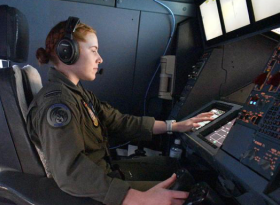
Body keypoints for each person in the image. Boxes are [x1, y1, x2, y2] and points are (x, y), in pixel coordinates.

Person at [27, 17, 214, 205]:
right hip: (94, 190)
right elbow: (71, 171)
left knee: (172, 166)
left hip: (103, 173)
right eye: (93, 51)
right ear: (67, 52)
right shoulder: (58, 103)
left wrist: (174, 126)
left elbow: (119, 121)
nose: (100, 59)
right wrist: (139, 199)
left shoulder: (77, 94)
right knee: (183, 194)